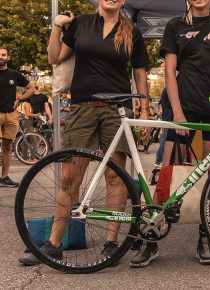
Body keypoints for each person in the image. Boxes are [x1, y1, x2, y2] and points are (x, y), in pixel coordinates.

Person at [19, 0, 150, 266]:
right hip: (82, 106)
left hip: (118, 109)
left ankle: (112, 244)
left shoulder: (131, 31)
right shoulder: (81, 24)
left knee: (116, 177)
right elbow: (55, 57)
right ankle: (53, 244)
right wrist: (56, 27)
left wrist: (145, 110)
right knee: (69, 177)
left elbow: (140, 73)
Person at [130, 0, 210, 267]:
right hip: (184, 108)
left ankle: (205, 238)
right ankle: (151, 238)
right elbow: (169, 73)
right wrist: (179, 114)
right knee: (166, 172)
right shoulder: (175, 26)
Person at [0, 46, 34, 187]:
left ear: (8, 57)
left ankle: (4, 177)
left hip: (11, 114)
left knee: (7, 146)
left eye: (3, 54)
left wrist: (19, 100)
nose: (0, 57)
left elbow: (31, 88)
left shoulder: (14, 74)